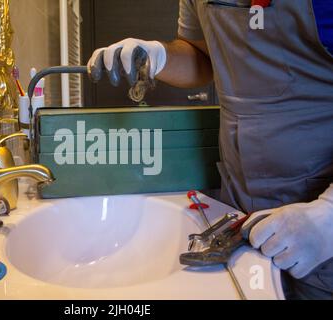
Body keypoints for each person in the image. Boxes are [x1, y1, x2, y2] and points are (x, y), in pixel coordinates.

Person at [87, 0, 333, 299]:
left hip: (318, 217)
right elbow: (203, 54)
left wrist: (329, 215)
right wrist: (159, 56)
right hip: (240, 202)